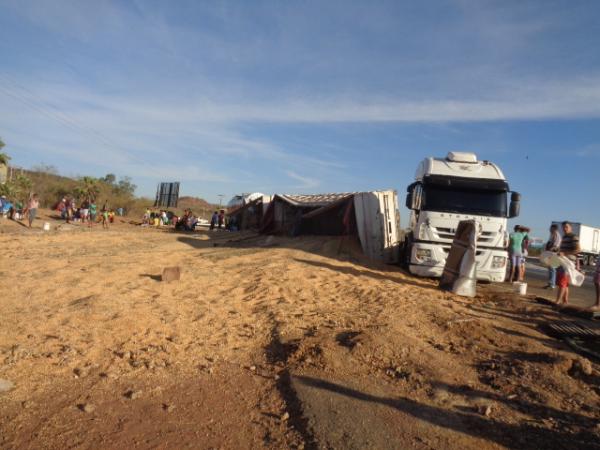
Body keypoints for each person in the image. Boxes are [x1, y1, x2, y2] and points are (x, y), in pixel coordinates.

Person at [556, 221, 581, 305]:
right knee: (565, 283)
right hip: (563, 261)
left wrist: (564, 253)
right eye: (563, 227)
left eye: (566, 227)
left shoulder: (573, 237)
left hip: (568, 263)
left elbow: (578, 249)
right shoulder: (564, 237)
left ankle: (558, 301)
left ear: (571, 228)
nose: (564, 229)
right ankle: (565, 301)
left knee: (562, 282)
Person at [544, 224, 562, 289]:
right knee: (550, 269)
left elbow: (555, 246)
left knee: (552, 269)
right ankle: (550, 283)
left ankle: (552, 284)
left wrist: (549, 251)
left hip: (553, 254)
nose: (549, 230)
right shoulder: (552, 235)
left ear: (554, 229)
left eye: (551, 228)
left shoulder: (557, 236)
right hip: (550, 253)